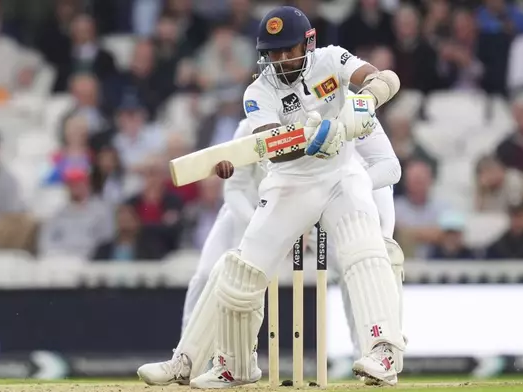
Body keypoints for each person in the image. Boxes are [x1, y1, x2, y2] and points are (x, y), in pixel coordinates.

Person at [138, 6, 403, 388]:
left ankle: (383, 351)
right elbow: (271, 144)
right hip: (289, 183)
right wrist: (312, 140)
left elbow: (383, 78)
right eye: (272, 53)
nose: (280, 60)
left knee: (365, 252)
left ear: (307, 43)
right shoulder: (258, 90)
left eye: (288, 50)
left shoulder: (331, 58)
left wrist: (365, 102)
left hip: (342, 176)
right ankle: (223, 366)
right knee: (241, 272)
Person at [179, 113, 404, 358]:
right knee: (209, 274)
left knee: (360, 269)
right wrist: (269, 228)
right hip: (253, 213)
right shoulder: (249, 128)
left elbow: (385, 171)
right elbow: (234, 191)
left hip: (326, 209)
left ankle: (371, 351)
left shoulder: (339, 118)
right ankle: (189, 357)